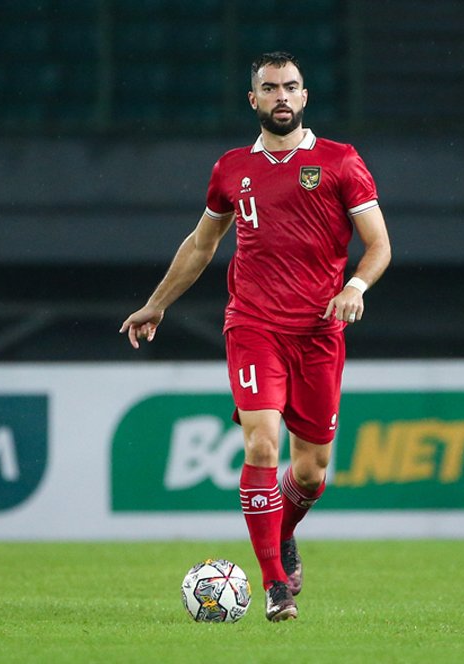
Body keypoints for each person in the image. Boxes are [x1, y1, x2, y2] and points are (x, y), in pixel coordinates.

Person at [120, 52, 391, 621]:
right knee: (262, 443)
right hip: (254, 325)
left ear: (305, 96)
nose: (282, 97)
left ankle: (282, 532)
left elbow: (379, 245)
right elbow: (201, 245)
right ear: (254, 100)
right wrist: (156, 304)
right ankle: (273, 585)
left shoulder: (341, 162)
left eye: (291, 87)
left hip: (320, 331)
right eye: (270, 89)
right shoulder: (231, 169)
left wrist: (357, 286)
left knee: (313, 470)